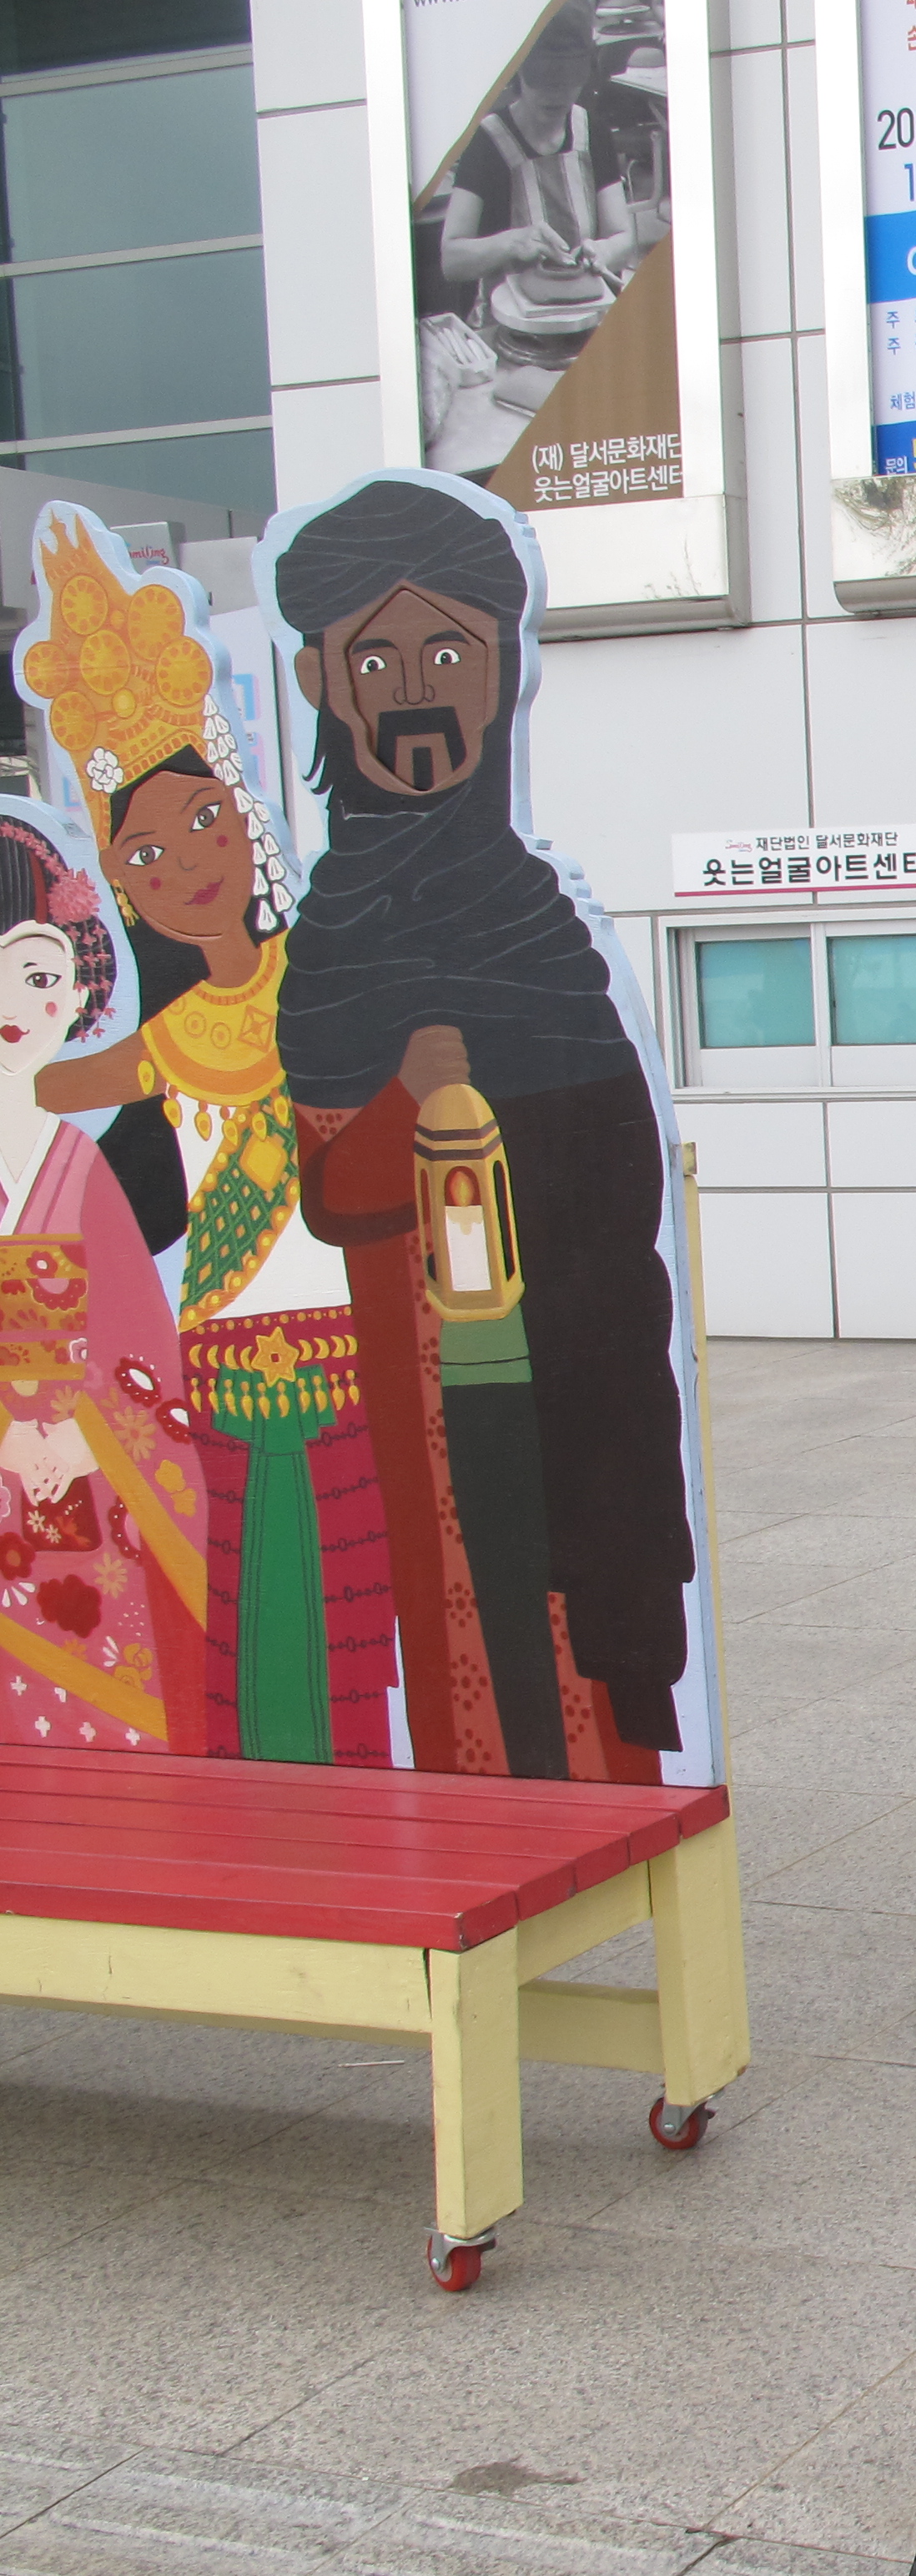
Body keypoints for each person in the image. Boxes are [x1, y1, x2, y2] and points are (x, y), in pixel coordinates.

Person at [269, 474, 692, 1780]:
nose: (417, 686)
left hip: (587, 1375)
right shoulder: (339, 930)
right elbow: (334, 1192)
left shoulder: (535, 912)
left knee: (591, 1677)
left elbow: (624, 1165)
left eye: (448, 649)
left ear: (505, 668)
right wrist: (407, 1102)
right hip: (439, 1385)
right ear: (324, 686)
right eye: (379, 653)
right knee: (482, 1660)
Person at [21, 515, 394, 1763]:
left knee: (355, 1584)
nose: (180, 862)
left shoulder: (331, 983)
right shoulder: (161, 1045)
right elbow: (48, 1087)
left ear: (243, 825)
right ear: (120, 887)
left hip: (352, 1340)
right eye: (142, 852)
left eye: (201, 826)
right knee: (242, 1591)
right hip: (218, 1357)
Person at [0, 815, 207, 1753]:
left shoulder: (82, 1168)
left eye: (39, 974)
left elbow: (141, 1353)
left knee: (85, 1720)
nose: (15, 1001)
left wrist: (79, 1437)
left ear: (82, 988)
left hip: (75, 1488)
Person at [435, 8, 654, 425]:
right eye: (544, 85)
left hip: (587, 333)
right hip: (513, 341)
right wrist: (513, 242)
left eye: (567, 85)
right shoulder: (487, 141)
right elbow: (451, 259)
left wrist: (602, 249)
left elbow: (623, 234)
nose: (556, 98)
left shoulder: (592, 129)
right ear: (519, 74)